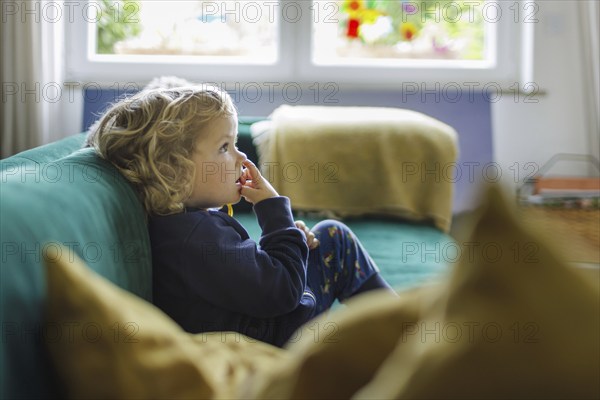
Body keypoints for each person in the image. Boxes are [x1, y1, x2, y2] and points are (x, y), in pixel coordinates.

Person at [90, 85, 395, 347]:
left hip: (260, 324)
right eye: (225, 147)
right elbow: (285, 290)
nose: (242, 157)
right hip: (278, 339)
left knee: (318, 241)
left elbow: (245, 276)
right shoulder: (196, 236)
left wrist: (289, 238)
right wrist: (274, 210)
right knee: (335, 240)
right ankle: (407, 332)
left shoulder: (176, 227)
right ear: (172, 169)